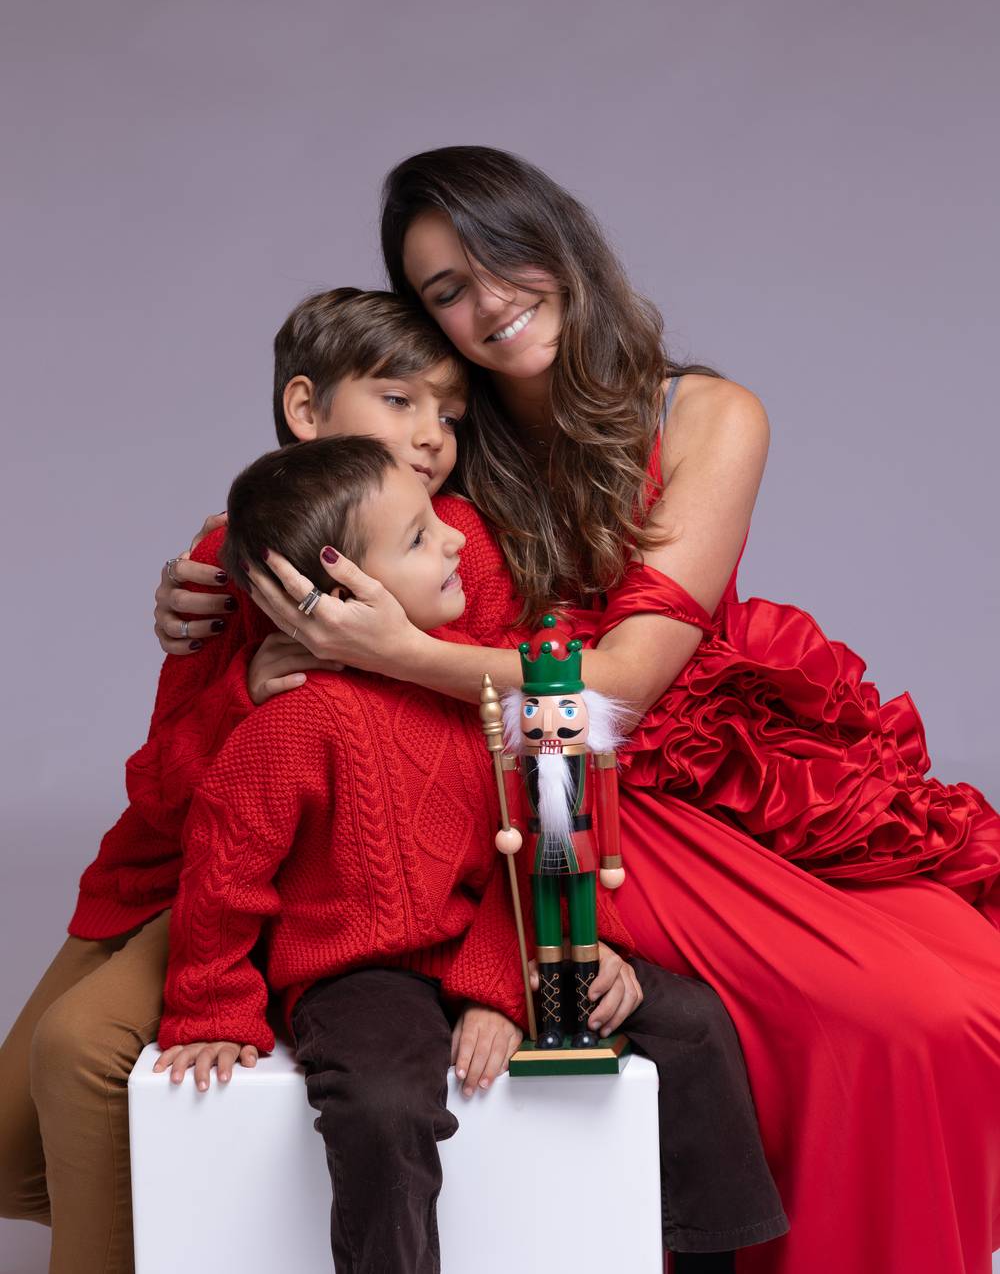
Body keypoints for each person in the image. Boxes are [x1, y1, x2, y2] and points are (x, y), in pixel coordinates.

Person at [217, 146, 999, 1274]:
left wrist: (401, 652)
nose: (490, 302)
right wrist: (207, 590)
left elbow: (621, 685)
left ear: (562, 240)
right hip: (545, 795)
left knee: (961, 997)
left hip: (702, 760)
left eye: (504, 256)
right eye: (447, 289)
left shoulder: (709, 414)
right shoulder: (441, 440)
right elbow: (308, 508)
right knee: (890, 1017)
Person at [0, 285, 786, 1274]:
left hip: (391, 890)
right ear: (304, 409)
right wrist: (246, 690)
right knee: (32, 1129)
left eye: (449, 415)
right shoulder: (241, 558)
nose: (430, 437)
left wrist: (404, 659)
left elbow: (528, 768)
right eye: (401, 402)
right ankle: (179, 1220)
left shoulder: (459, 551)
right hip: (208, 870)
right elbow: (185, 794)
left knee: (81, 1053)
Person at [156, 434, 786, 1272]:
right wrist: (211, 1008)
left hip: (499, 934)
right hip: (364, 970)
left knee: (696, 1025)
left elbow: (542, 841)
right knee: (381, 1105)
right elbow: (223, 871)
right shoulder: (293, 723)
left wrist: (505, 987)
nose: (456, 538)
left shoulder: (482, 691)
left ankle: (710, 1260)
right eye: (421, 537)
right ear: (345, 592)